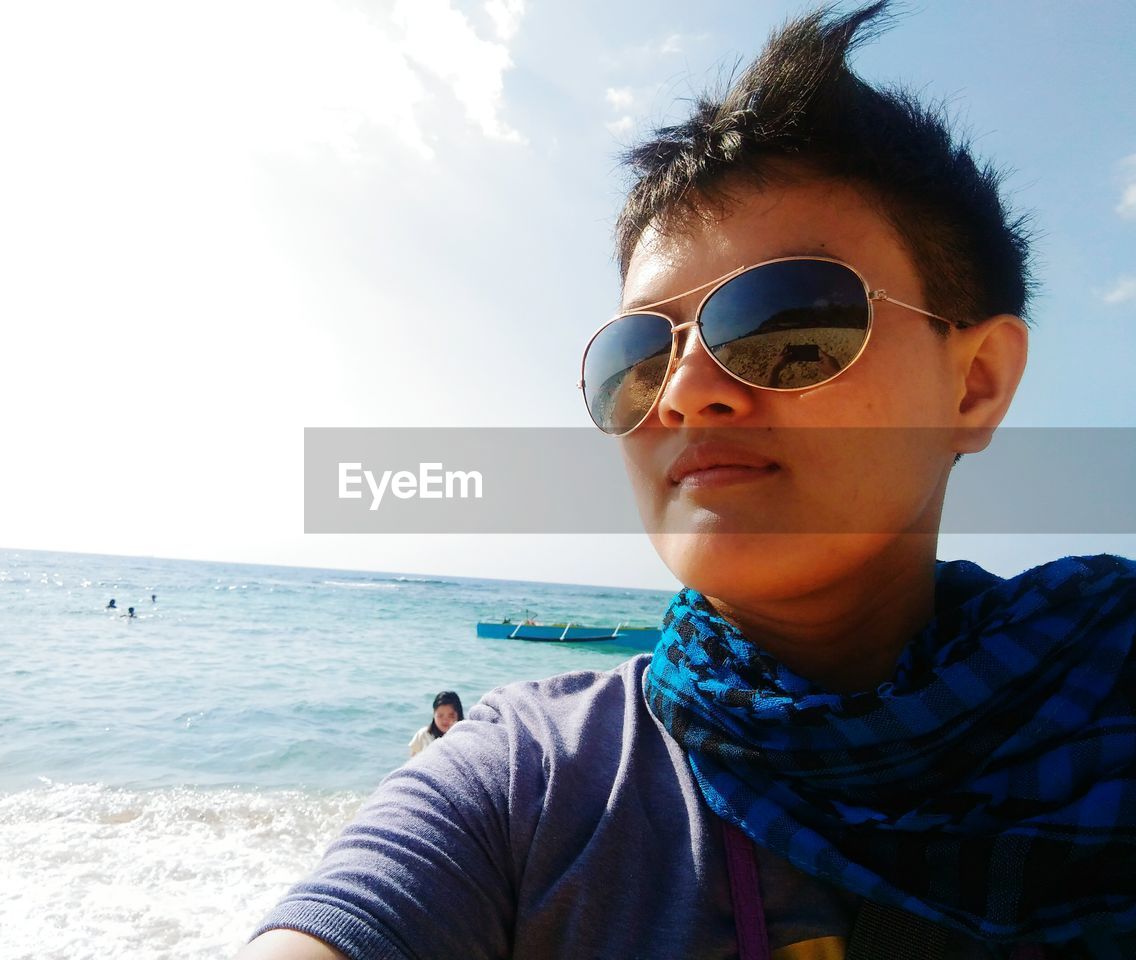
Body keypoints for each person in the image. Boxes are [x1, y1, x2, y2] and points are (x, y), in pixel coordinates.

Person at [240, 5, 1135, 958]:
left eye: (787, 320)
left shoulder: (1105, 692)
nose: (684, 393)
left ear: (976, 382)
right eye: (637, 353)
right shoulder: (533, 783)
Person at [407, 691, 463, 758]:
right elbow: (412, 762)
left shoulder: (464, 738)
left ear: (458, 715)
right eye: (440, 715)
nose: (445, 720)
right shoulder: (423, 735)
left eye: (451, 716)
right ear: (434, 714)